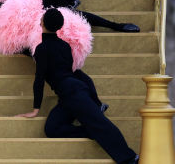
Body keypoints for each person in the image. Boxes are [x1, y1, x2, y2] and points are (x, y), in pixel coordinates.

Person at [16, 8, 138, 164]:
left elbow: (39, 79)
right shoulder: (64, 46)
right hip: (68, 95)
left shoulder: (42, 49)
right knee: (52, 129)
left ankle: (129, 158)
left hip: (74, 92)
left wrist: (35, 110)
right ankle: (90, 131)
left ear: (42, 24)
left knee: (101, 123)